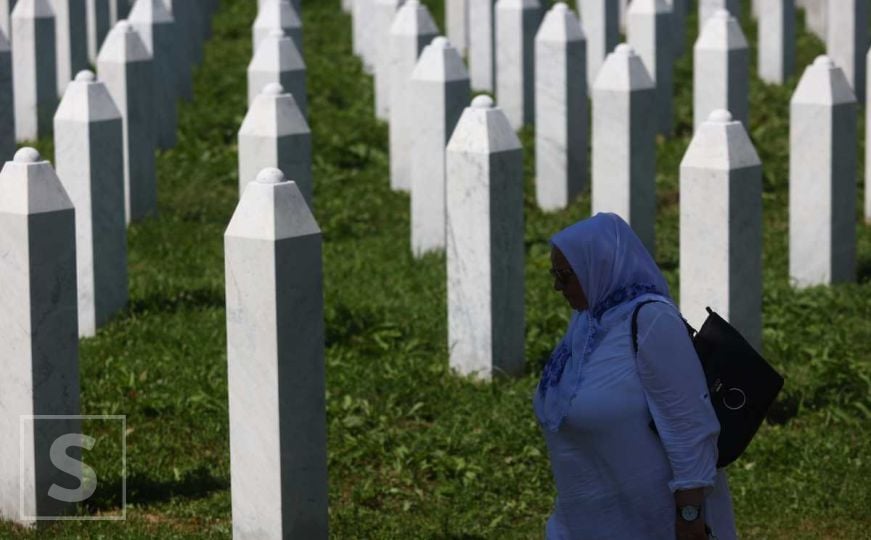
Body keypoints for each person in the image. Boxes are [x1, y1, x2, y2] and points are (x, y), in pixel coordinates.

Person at [533, 213, 737, 540]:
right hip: (585, 521)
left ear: (598, 265)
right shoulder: (588, 323)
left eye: (564, 275)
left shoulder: (651, 321)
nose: (557, 286)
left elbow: (690, 425)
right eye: (553, 274)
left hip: (652, 524)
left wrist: (689, 518)